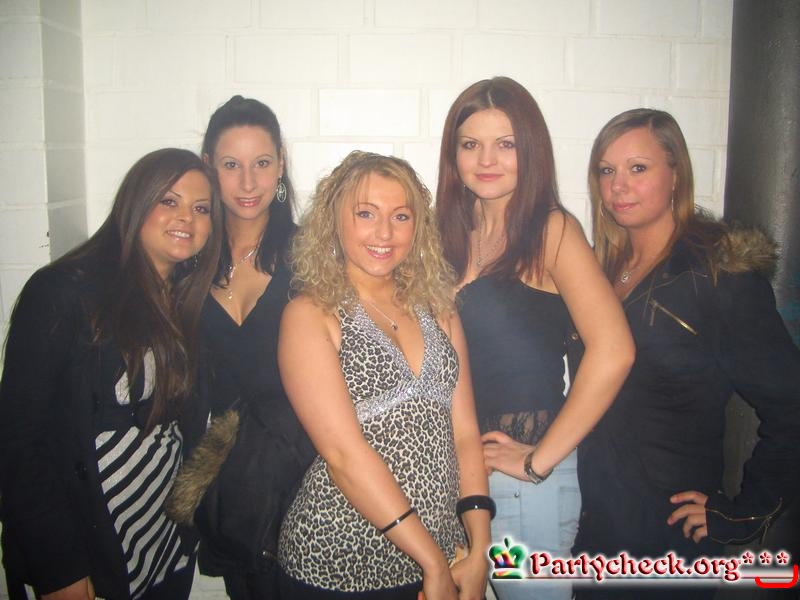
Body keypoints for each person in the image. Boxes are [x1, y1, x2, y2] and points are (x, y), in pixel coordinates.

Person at [573, 108, 800, 598]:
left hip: (667, 538)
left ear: (676, 174)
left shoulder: (716, 274)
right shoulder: (602, 270)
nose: (618, 186)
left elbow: (791, 403)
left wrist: (741, 514)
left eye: (638, 168)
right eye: (606, 170)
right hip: (598, 525)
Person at [435, 76, 635, 600]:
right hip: (460, 479)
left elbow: (614, 350)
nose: (486, 159)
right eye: (471, 144)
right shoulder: (449, 236)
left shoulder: (550, 230)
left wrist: (536, 461)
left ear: (532, 149)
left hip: (523, 488)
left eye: (506, 144)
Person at [0, 148, 221, 600]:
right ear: (136, 203)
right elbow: (17, 441)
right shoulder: (64, 292)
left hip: (161, 546)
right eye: (169, 201)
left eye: (201, 208)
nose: (187, 217)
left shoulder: (184, 300)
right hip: (88, 555)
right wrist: (58, 568)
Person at [277, 151, 492, 600]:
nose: (384, 233)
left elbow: (465, 434)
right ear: (335, 220)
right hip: (340, 563)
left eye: (400, 216)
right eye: (366, 214)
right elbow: (343, 454)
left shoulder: (440, 309)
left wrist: (480, 547)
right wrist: (431, 562)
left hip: (443, 552)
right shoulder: (311, 314)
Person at [166, 96, 315, 599]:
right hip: (232, 488)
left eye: (262, 163)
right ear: (209, 165)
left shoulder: (313, 256)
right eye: (231, 165)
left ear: (281, 164)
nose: (248, 182)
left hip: (308, 473)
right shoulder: (186, 261)